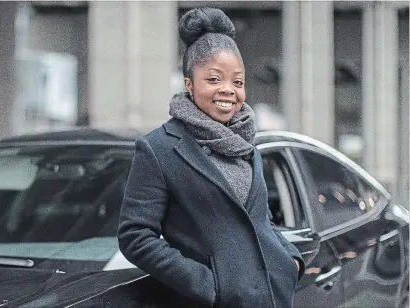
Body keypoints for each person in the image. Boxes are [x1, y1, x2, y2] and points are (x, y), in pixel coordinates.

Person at [117, 7, 305, 308]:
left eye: (238, 82)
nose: (228, 90)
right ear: (189, 85)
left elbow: (259, 219)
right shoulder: (158, 148)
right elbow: (135, 236)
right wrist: (207, 285)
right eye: (214, 79)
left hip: (273, 296)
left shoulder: (245, 141)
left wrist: (289, 260)